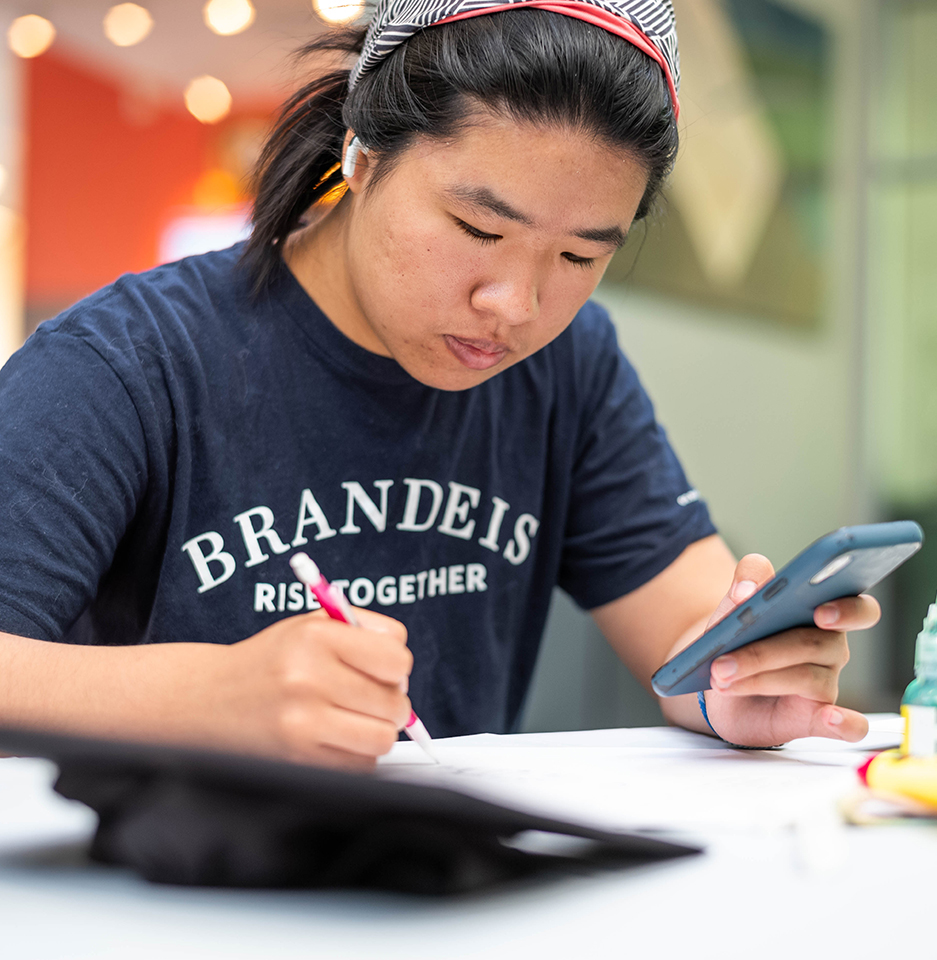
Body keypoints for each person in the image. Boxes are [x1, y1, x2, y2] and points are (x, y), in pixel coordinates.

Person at [0, 0, 878, 768]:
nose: (516, 306)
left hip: (446, 889)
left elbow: (691, 635)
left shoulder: (567, 367)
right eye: (477, 229)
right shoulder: (126, 362)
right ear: (364, 154)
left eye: (579, 256)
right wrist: (205, 697)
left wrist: (741, 680)